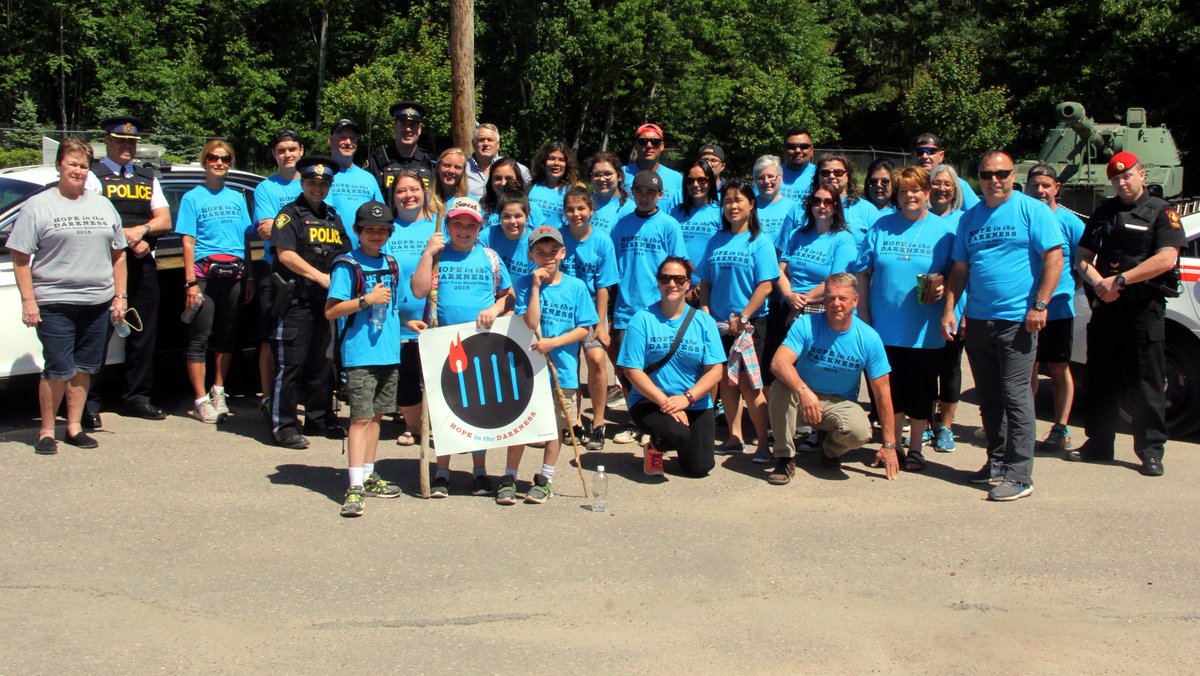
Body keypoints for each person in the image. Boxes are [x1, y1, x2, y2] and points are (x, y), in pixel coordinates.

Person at [941, 150, 1063, 501]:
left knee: (1016, 397)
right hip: (979, 320)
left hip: (1018, 321)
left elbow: (1054, 258)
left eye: (1002, 173)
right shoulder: (971, 219)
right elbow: (961, 270)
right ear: (977, 177)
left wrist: (1040, 305)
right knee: (989, 398)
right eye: (986, 174)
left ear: (1013, 176)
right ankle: (996, 462)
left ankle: (1020, 474)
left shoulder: (1032, 210)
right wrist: (950, 309)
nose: (994, 180)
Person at [1068, 152, 1185, 477]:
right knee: (1100, 378)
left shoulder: (1161, 212)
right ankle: (1098, 444)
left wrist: (1120, 280)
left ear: (1141, 174)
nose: (1123, 182)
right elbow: (1082, 256)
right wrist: (1098, 282)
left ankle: (1150, 451)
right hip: (1107, 309)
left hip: (1142, 311)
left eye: (1128, 175)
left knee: (1147, 382)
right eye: (1117, 178)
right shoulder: (1104, 211)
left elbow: (1166, 259)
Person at [9, 137, 127, 454]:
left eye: (84, 165)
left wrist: (120, 297)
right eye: (72, 164)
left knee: (84, 369)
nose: (78, 170)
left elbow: (119, 254)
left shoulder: (102, 205)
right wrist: (29, 301)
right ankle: (47, 431)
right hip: (55, 302)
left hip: (97, 302)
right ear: (60, 164)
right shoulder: (39, 205)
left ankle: (74, 427)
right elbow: (20, 257)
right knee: (58, 369)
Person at [410, 197, 514, 497]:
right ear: (448, 225)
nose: (464, 230)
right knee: (446, 409)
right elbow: (418, 290)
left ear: (480, 227)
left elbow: (508, 296)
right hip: (443, 343)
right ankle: (442, 471)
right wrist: (428, 254)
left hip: (480, 343)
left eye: (471, 225)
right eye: (458, 224)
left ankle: (479, 470)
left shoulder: (490, 257)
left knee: (478, 409)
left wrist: (495, 310)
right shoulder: (438, 256)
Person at [855, 166, 954, 472]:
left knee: (921, 389)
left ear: (927, 193)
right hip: (884, 324)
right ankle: (893, 444)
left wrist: (944, 289)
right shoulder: (882, 226)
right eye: (903, 191)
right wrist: (864, 314)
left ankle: (915, 448)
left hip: (923, 327)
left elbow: (958, 275)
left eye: (916, 190)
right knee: (888, 388)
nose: (910, 196)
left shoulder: (944, 231)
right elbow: (863, 271)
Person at [325, 201, 417, 516]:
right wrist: (365, 300)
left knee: (378, 416)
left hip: (389, 352)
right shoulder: (346, 265)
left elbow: (395, 307)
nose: (375, 235)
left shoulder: (392, 263)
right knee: (360, 418)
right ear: (357, 231)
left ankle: (368, 473)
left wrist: (409, 323)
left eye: (382, 230)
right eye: (369, 230)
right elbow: (331, 310)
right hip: (359, 354)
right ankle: (353, 486)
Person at [767, 273, 898, 485]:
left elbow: (883, 393)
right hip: (802, 399)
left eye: (842, 298)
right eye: (830, 298)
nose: (835, 304)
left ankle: (829, 450)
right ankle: (784, 457)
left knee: (860, 431)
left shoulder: (869, 338)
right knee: (780, 387)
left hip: (838, 403)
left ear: (855, 300)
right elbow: (778, 363)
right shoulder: (806, 324)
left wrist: (889, 445)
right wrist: (804, 392)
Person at [83, 116, 171, 425]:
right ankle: (88, 404)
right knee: (97, 336)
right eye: (121, 141)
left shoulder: (148, 177)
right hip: (104, 265)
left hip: (143, 265)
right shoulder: (94, 176)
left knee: (142, 333)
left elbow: (164, 221)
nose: (127, 146)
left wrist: (143, 231)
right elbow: (91, 219)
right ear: (107, 141)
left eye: (132, 142)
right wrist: (129, 240)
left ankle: (137, 397)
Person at [505, 225, 599, 504]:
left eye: (552, 251)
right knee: (520, 425)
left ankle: (545, 478)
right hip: (527, 370)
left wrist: (554, 343)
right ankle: (509, 476)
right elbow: (530, 322)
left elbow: (584, 329)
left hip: (562, 369)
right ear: (531, 254)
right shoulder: (523, 283)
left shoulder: (576, 287)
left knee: (553, 428)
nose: (547, 258)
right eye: (540, 252)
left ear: (563, 252)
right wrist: (534, 287)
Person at [267, 156, 352, 449]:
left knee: (321, 362)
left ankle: (318, 418)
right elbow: (284, 254)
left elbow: (344, 252)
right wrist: (320, 277)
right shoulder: (289, 215)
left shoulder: (332, 217)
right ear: (302, 183)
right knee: (291, 364)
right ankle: (284, 425)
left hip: (324, 302)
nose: (318, 188)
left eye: (324, 183)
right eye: (313, 183)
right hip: (296, 301)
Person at [618, 257, 725, 477]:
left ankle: (680, 443)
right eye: (665, 278)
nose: (672, 284)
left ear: (688, 284)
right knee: (676, 433)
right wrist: (666, 402)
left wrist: (686, 399)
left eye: (679, 279)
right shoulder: (642, 319)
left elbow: (716, 370)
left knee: (699, 468)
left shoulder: (704, 322)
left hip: (692, 401)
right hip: (652, 401)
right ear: (658, 282)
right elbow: (632, 371)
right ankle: (657, 446)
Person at [698, 179, 779, 463]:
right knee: (724, 383)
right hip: (718, 324)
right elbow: (705, 280)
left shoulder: (760, 241)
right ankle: (734, 437)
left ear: (751, 204)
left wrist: (743, 317)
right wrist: (706, 310)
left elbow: (766, 286)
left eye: (738, 200)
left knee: (749, 385)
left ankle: (763, 444)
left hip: (750, 326)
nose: (732, 206)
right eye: (727, 201)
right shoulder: (716, 239)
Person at [608, 170, 688, 444]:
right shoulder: (621, 224)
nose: (644, 197)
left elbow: (680, 267)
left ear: (661, 195)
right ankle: (636, 421)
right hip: (625, 309)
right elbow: (612, 267)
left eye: (650, 193)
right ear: (632, 193)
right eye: (639, 191)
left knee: (655, 368)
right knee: (627, 369)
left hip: (657, 309)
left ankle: (657, 422)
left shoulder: (669, 225)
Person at [177, 140, 253, 423]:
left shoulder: (236, 197)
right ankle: (200, 399)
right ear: (204, 161)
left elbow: (245, 239)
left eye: (224, 158)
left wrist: (250, 277)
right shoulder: (192, 198)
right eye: (213, 158)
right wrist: (189, 282)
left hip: (234, 275)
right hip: (203, 277)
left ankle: (219, 391)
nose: (219, 162)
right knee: (199, 337)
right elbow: (188, 239)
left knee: (226, 337)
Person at [769, 187, 858, 400]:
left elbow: (836, 280)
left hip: (821, 307)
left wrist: (802, 300)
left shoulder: (843, 239)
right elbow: (780, 270)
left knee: (815, 366)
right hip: (789, 304)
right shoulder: (797, 234)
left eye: (828, 202)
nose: (821, 206)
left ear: (836, 206)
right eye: (817, 201)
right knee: (786, 366)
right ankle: (791, 418)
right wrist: (790, 295)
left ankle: (815, 420)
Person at [1024, 164, 1085, 453]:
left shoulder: (1070, 222)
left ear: (1056, 188)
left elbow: (1084, 262)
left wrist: (1067, 292)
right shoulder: (1024, 216)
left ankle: (1060, 427)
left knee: (1059, 368)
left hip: (1059, 309)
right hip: (1027, 307)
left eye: (1046, 185)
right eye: (1035, 185)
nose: (1040, 190)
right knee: (1028, 368)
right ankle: (1025, 427)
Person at [382, 171, 440, 447]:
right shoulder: (386, 229)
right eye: (401, 192)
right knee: (405, 377)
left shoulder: (436, 227)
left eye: (414, 190)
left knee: (436, 377)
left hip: (433, 318)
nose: (408, 196)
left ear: (424, 192)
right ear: (393, 198)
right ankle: (414, 426)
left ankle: (439, 427)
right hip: (399, 319)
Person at [559, 187, 619, 451]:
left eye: (581, 209)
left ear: (591, 210)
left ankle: (598, 421)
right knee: (567, 366)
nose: (576, 214)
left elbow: (604, 286)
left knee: (595, 359)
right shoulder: (557, 237)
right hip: (563, 311)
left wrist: (601, 324)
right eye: (570, 209)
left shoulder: (602, 241)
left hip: (592, 310)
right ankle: (573, 420)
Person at [252, 128, 306, 418]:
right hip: (275, 270)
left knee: (305, 337)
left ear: (301, 151)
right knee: (271, 337)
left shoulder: (313, 183)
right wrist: (304, 230)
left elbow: (278, 228)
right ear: (274, 154)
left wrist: (283, 227)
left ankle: (296, 397)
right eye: (281, 150)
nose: (288, 155)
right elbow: (265, 228)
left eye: (292, 149)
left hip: (308, 271)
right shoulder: (266, 188)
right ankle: (267, 395)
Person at [327, 118, 384, 244]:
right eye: (342, 137)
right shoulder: (320, 175)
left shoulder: (368, 178)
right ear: (330, 140)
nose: (348, 142)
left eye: (352, 138)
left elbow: (382, 218)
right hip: (328, 253)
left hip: (363, 255)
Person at [366, 101, 437, 194]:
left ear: (419, 129)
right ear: (394, 127)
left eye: (412, 125)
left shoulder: (431, 163)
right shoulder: (377, 162)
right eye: (403, 124)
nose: (408, 129)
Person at [671, 159, 722, 286]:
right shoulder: (675, 212)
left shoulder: (721, 212)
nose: (695, 184)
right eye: (690, 181)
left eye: (702, 180)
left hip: (708, 286)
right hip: (676, 285)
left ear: (710, 182)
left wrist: (700, 290)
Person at [812, 154, 880, 245]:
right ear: (818, 176)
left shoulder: (867, 210)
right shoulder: (801, 208)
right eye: (825, 173)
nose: (831, 176)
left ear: (847, 176)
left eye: (838, 172)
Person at [622, 123, 683, 212]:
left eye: (655, 142)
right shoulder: (621, 174)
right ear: (636, 145)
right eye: (643, 141)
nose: (649, 145)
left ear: (662, 146)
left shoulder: (676, 178)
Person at [913, 132, 979, 210]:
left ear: (941, 156)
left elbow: (977, 213)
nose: (925, 156)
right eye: (920, 152)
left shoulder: (958, 185)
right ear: (913, 156)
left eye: (931, 151)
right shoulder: (905, 184)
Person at [480, 191, 537, 279]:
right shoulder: (487, 235)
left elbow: (533, 279)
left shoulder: (534, 241)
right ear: (499, 217)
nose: (512, 222)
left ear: (527, 215)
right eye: (506, 216)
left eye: (518, 216)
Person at [465, 122, 531, 199]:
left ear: (498, 145)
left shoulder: (518, 169)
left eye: (490, 140)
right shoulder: (462, 170)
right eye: (481, 140)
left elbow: (528, 196)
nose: (486, 143)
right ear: (473, 143)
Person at [480, 156, 546, 229]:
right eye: (498, 178)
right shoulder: (482, 209)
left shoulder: (532, 208)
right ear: (491, 181)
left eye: (508, 178)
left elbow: (541, 238)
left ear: (518, 180)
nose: (503, 183)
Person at [527, 141, 579, 226]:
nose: (556, 163)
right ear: (543, 162)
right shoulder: (530, 187)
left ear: (567, 165)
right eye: (552, 158)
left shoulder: (571, 192)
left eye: (561, 160)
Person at [752, 155, 799, 246]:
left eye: (771, 176)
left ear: (781, 178)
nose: (766, 181)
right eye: (760, 177)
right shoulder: (748, 207)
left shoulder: (794, 207)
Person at [587, 152, 633, 234]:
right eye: (596, 174)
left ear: (619, 176)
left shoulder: (629, 209)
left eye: (607, 174)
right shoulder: (583, 202)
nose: (602, 179)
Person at [780, 127, 817, 203]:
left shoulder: (821, 175)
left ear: (812, 151)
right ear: (784, 150)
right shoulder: (770, 174)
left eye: (804, 146)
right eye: (791, 147)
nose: (797, 151)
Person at [433, 147, 469, 211]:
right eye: (447, 165)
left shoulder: (470, 202)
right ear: (438, 167)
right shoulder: (424, 200)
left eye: (457, 167)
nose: (451, 171)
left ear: (463, 171)